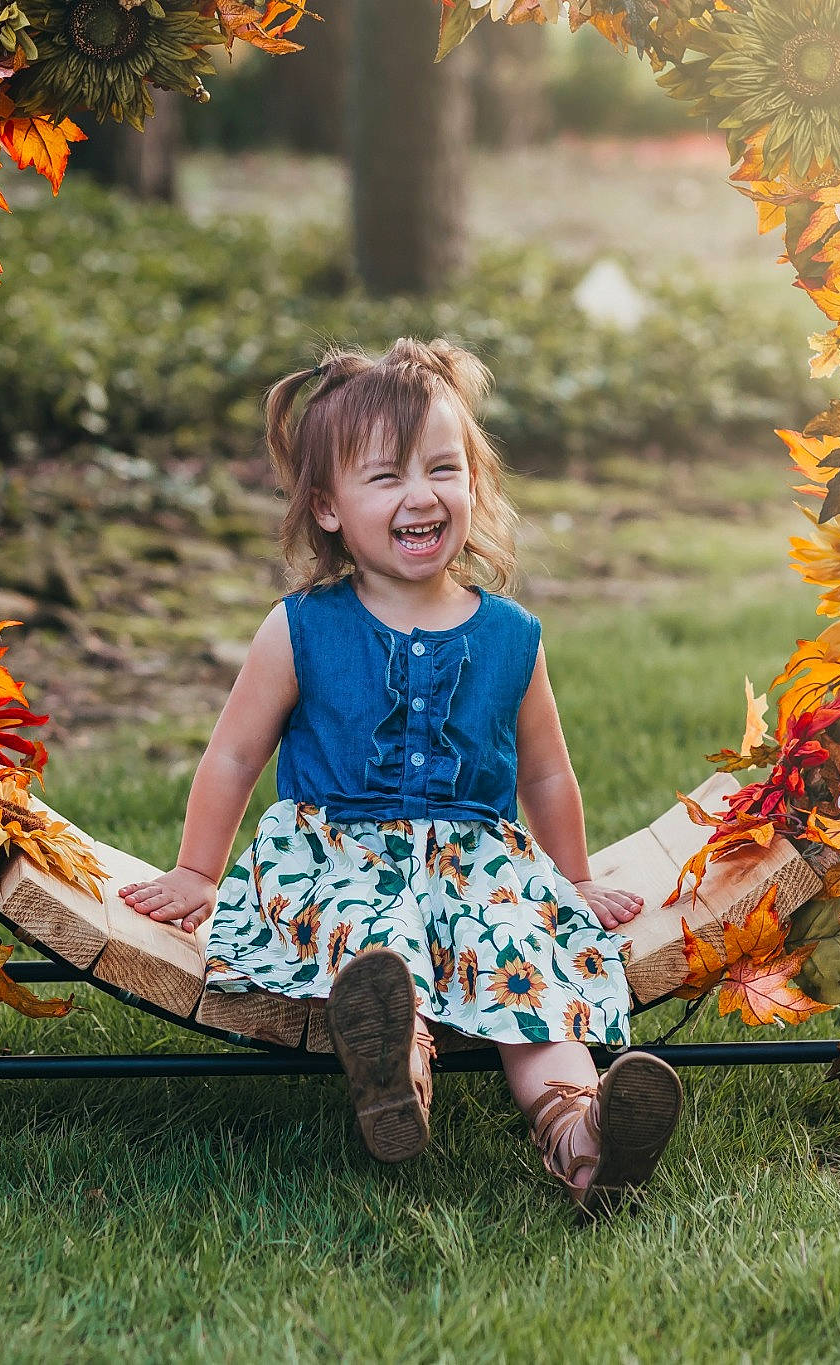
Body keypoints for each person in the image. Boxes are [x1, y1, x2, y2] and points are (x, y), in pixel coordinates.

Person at [119, 338, 682, 1216]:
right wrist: (198, 869)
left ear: (474, 484)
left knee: (523, 962)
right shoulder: (301, 626)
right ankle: (397, 1066)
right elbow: (234, 754)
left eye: (443, 470)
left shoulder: (511, 635)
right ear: (328, 508)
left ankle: (583, 1136)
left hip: (476, 867)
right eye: (385, 478)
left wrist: (571, 880)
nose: (421, 496)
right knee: (369, 937)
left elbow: (546, 772)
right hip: (334, 853)